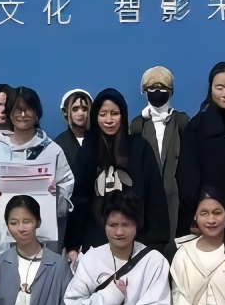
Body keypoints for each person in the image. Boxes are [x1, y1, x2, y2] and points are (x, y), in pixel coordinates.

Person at [66, 87, 169, 255]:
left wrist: (157, 243)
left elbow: (155, 197)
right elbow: (79, 200)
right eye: (103, 114)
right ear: (95, 116)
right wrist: (73, 244)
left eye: (114, 113)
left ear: (123, 115)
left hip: (138, 242)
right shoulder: (89, 150)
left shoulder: (139, 147)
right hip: (96, 244)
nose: (109, 120)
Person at [0, 86, 74, 260]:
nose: (22, 114)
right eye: (17, 109)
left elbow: (66, 198)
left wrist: (56, 194)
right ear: (10, 113)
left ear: (37, 114)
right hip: (3, 246)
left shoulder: (53, 151)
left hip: (43, 243)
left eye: (28, 109)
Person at [175, 62, 225, 238]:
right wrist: (197, 214)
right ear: (210, 89)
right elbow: (186, 176)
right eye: (219, 87)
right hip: (204, 216)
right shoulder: (197, 126)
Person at [129, 67, 188, 256]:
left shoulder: (181, 121)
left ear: (171, 91)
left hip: (176, 197)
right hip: (147, 198)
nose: (157, 93)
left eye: (162, 88)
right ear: (144, 91)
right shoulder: (137, 125)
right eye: (152, 88)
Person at [55, 88, 93, 167]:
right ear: (65, 112)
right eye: (75, 109)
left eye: (85, 109)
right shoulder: (58, 145)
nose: (81, 113)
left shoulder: (101, 141)